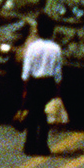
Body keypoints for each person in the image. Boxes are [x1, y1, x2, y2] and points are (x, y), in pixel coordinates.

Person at [21, 13, 62, 156]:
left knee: (32, 115)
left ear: (38, 30)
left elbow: (27, 69)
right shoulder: (56, 48)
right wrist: (57, 91)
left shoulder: (33, 47)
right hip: (48, 83)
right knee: (45, 117)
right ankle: (43, 146)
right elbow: (57, 73)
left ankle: (29, 145)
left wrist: (25, 88)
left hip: (34, 83)